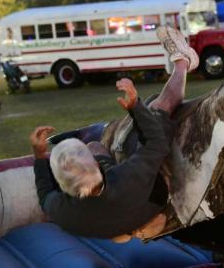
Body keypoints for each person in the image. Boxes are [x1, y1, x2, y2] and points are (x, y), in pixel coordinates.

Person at [31, 26, 199, 242]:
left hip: (106, 224)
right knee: (160, 107)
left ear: (62, 186)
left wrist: (38, 156)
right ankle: (183, 62)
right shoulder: (128, 178)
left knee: (94, 146)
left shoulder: (60, 211)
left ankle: (125, 230)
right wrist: (136, 107)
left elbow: (44, 195)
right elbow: (156, 142)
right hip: (150, 203)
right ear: (98, 168)